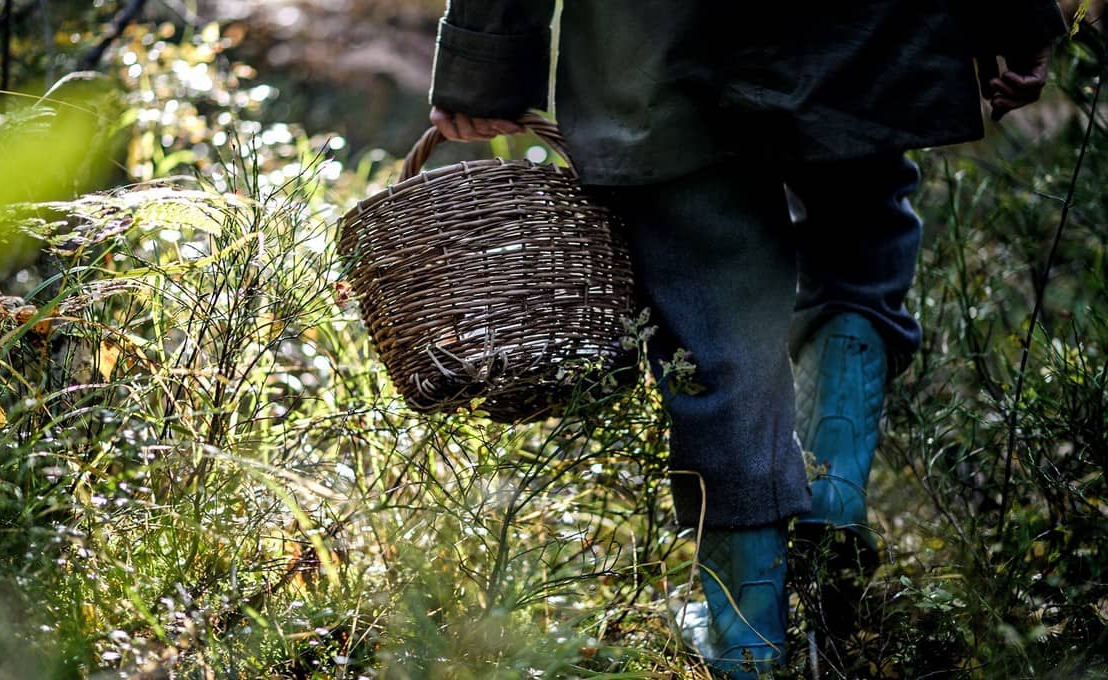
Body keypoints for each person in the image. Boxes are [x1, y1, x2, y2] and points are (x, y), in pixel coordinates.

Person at [424, 2, 1067, 677]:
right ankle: (836, 486)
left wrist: (483, 64)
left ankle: (747, 646)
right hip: (863, 35)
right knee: (861, 246)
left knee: (714, 330)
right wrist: (1016, 20)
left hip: (654, 49)